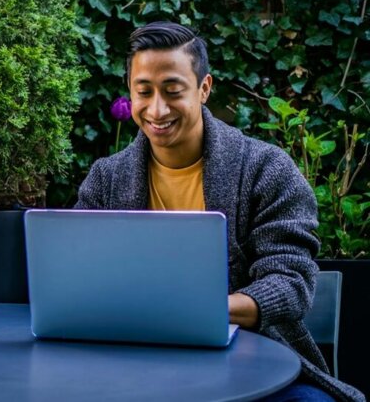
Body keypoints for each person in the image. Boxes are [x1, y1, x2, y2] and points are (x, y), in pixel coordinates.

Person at [76, 21, 363, 402]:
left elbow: (290, 282)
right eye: (144, 91)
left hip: (255, 364)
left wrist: (201, 311)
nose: (157, 109)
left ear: (204, 89)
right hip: (134, 365)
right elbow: (79, 277)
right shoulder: (106, 179)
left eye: (173, 91)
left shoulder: (266, 169)